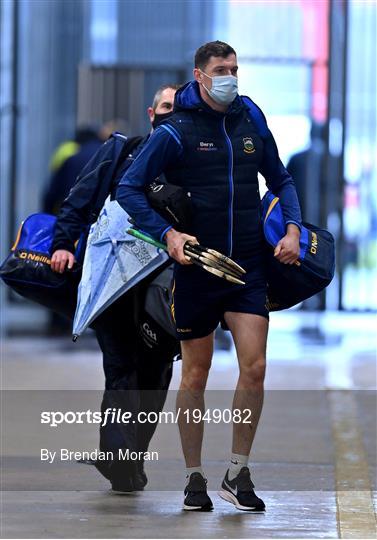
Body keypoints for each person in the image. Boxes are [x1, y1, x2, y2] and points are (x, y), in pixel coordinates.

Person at [116, 41, 302, 511]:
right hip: (198, 267)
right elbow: (128, 189)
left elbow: (280, 178)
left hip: (247, 267)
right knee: (195, 375)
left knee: (254, 368)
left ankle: (238, 471)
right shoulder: (175, 129)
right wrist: (168, 236)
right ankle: (193, 476)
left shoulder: (250, 117)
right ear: (200, 76)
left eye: (235, 68)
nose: (231, 77)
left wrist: (294, 228)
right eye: (222, 70)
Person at [50, 84, 180, 493]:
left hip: (164, 289)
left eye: (177, 109)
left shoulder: (194, 164)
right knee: (122, 368)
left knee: (156, 375)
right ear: (150, 112)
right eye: (164, 107)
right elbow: (78, 200)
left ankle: (130, 458)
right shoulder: (122, 151)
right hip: (113, 284)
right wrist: (61, 245)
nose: (169, 115)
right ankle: (119, 462)